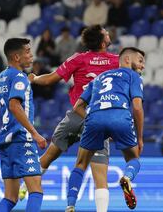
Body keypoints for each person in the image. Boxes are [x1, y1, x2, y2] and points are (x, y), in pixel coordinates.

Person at [19, 25, 119, 212]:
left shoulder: (78, 58)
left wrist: (34, 79)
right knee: (100, 176)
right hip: (98, 121)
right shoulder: (117, 61)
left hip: (76, 116)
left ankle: (26, 186)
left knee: (48, 157)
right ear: (103, 40)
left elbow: (50, 79)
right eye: (106, 32)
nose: (108, 32)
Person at [66, 47, 145, 211]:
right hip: (120, 115)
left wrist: (94, 118)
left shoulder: (100, 77)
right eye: (140, 60)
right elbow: (137, 107)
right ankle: (127, 177)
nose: (143, 66)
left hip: (95, 116)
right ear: (127, 60)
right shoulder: (133, 76)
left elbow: (77, 107)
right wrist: (140, 137)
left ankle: (70, 205)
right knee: (133, 159)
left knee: (80, 163)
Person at [0, 38, 47, 212]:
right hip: (21, 140)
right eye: (27, 51)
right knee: (36, 191)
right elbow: (14, 105)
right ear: (16, 57)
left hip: (4, 145)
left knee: (10, 198)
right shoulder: (19, 77)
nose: (31, 54)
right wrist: (35, 134)